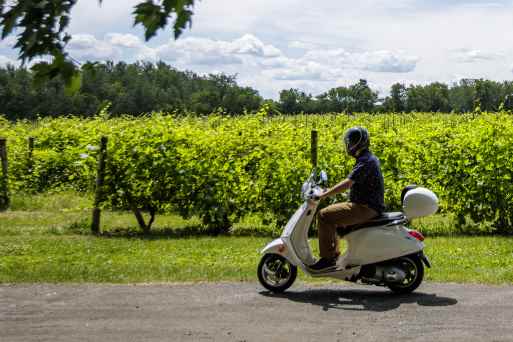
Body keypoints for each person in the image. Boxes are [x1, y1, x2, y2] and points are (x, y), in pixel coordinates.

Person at [309, 126, 385, 271]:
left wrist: (325, 194)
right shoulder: (366, 158)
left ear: (359, 143)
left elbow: (348, 183)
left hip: (366, 207)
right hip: (366, 205)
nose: (348, 145)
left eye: (351, 141)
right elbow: (356, 184)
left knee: (324, 215)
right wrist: (328, 191)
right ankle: (334, 255)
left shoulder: (365, 161)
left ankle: (327, 259)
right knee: (333, 216)